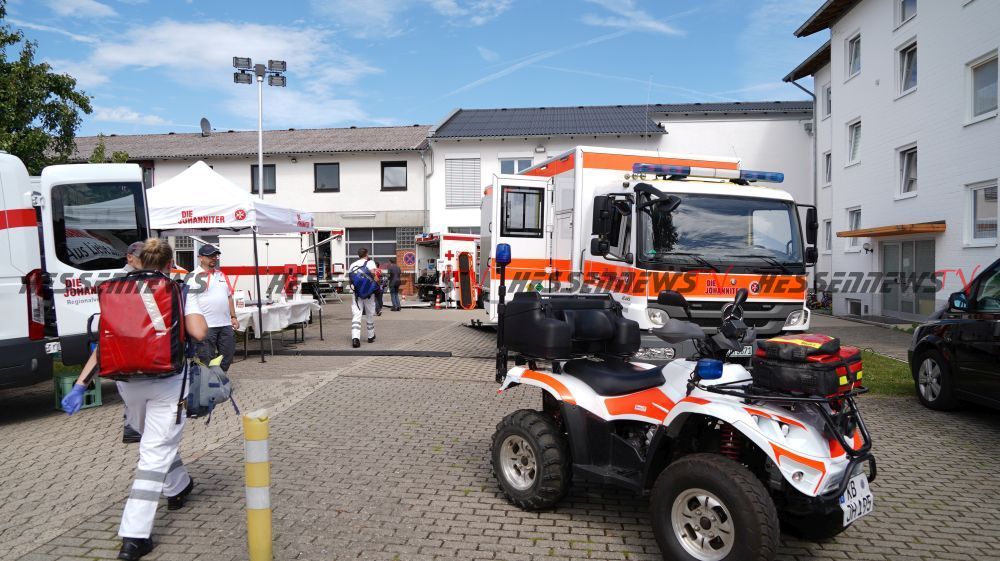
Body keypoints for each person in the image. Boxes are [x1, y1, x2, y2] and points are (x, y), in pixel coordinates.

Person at [62, 238, 207, 561]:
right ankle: (135, 536)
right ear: (169, 264)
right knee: (153, 454)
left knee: (156, 441)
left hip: (127, 383)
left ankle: (179, 486)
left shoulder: (117, 290)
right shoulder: (179, 290)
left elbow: (105, 343)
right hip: (167, 382)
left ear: (138, 260)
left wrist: (81, 385)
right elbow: (199, 332)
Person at [187, 245, 238, 372]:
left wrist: (233, 317)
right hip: (206, 325)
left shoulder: (222, 275)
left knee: (227, 355)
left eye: (215, 255)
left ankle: (219, 376)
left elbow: (229, 297)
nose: (214, 258)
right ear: (201, 258)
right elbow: (188, 303)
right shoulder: (192, 277)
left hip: (225, 324)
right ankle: (209, 380)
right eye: (210, 256)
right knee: (206, 358)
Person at [121, 240, 147, 444]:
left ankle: (135, 425)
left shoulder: (147, 277)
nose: (145, 261)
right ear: (130, 257)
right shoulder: (120, 279)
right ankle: (132, 426)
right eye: (141, 257)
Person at [348, 248, 377, 348]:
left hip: (356, 294)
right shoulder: (370, 262)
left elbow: (350, 280)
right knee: (370, 313)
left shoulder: (353, 265)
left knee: (357, 315)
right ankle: (370, 336)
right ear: (367, 254)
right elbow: (374, 275)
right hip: (369, 293)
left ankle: (355, 339)